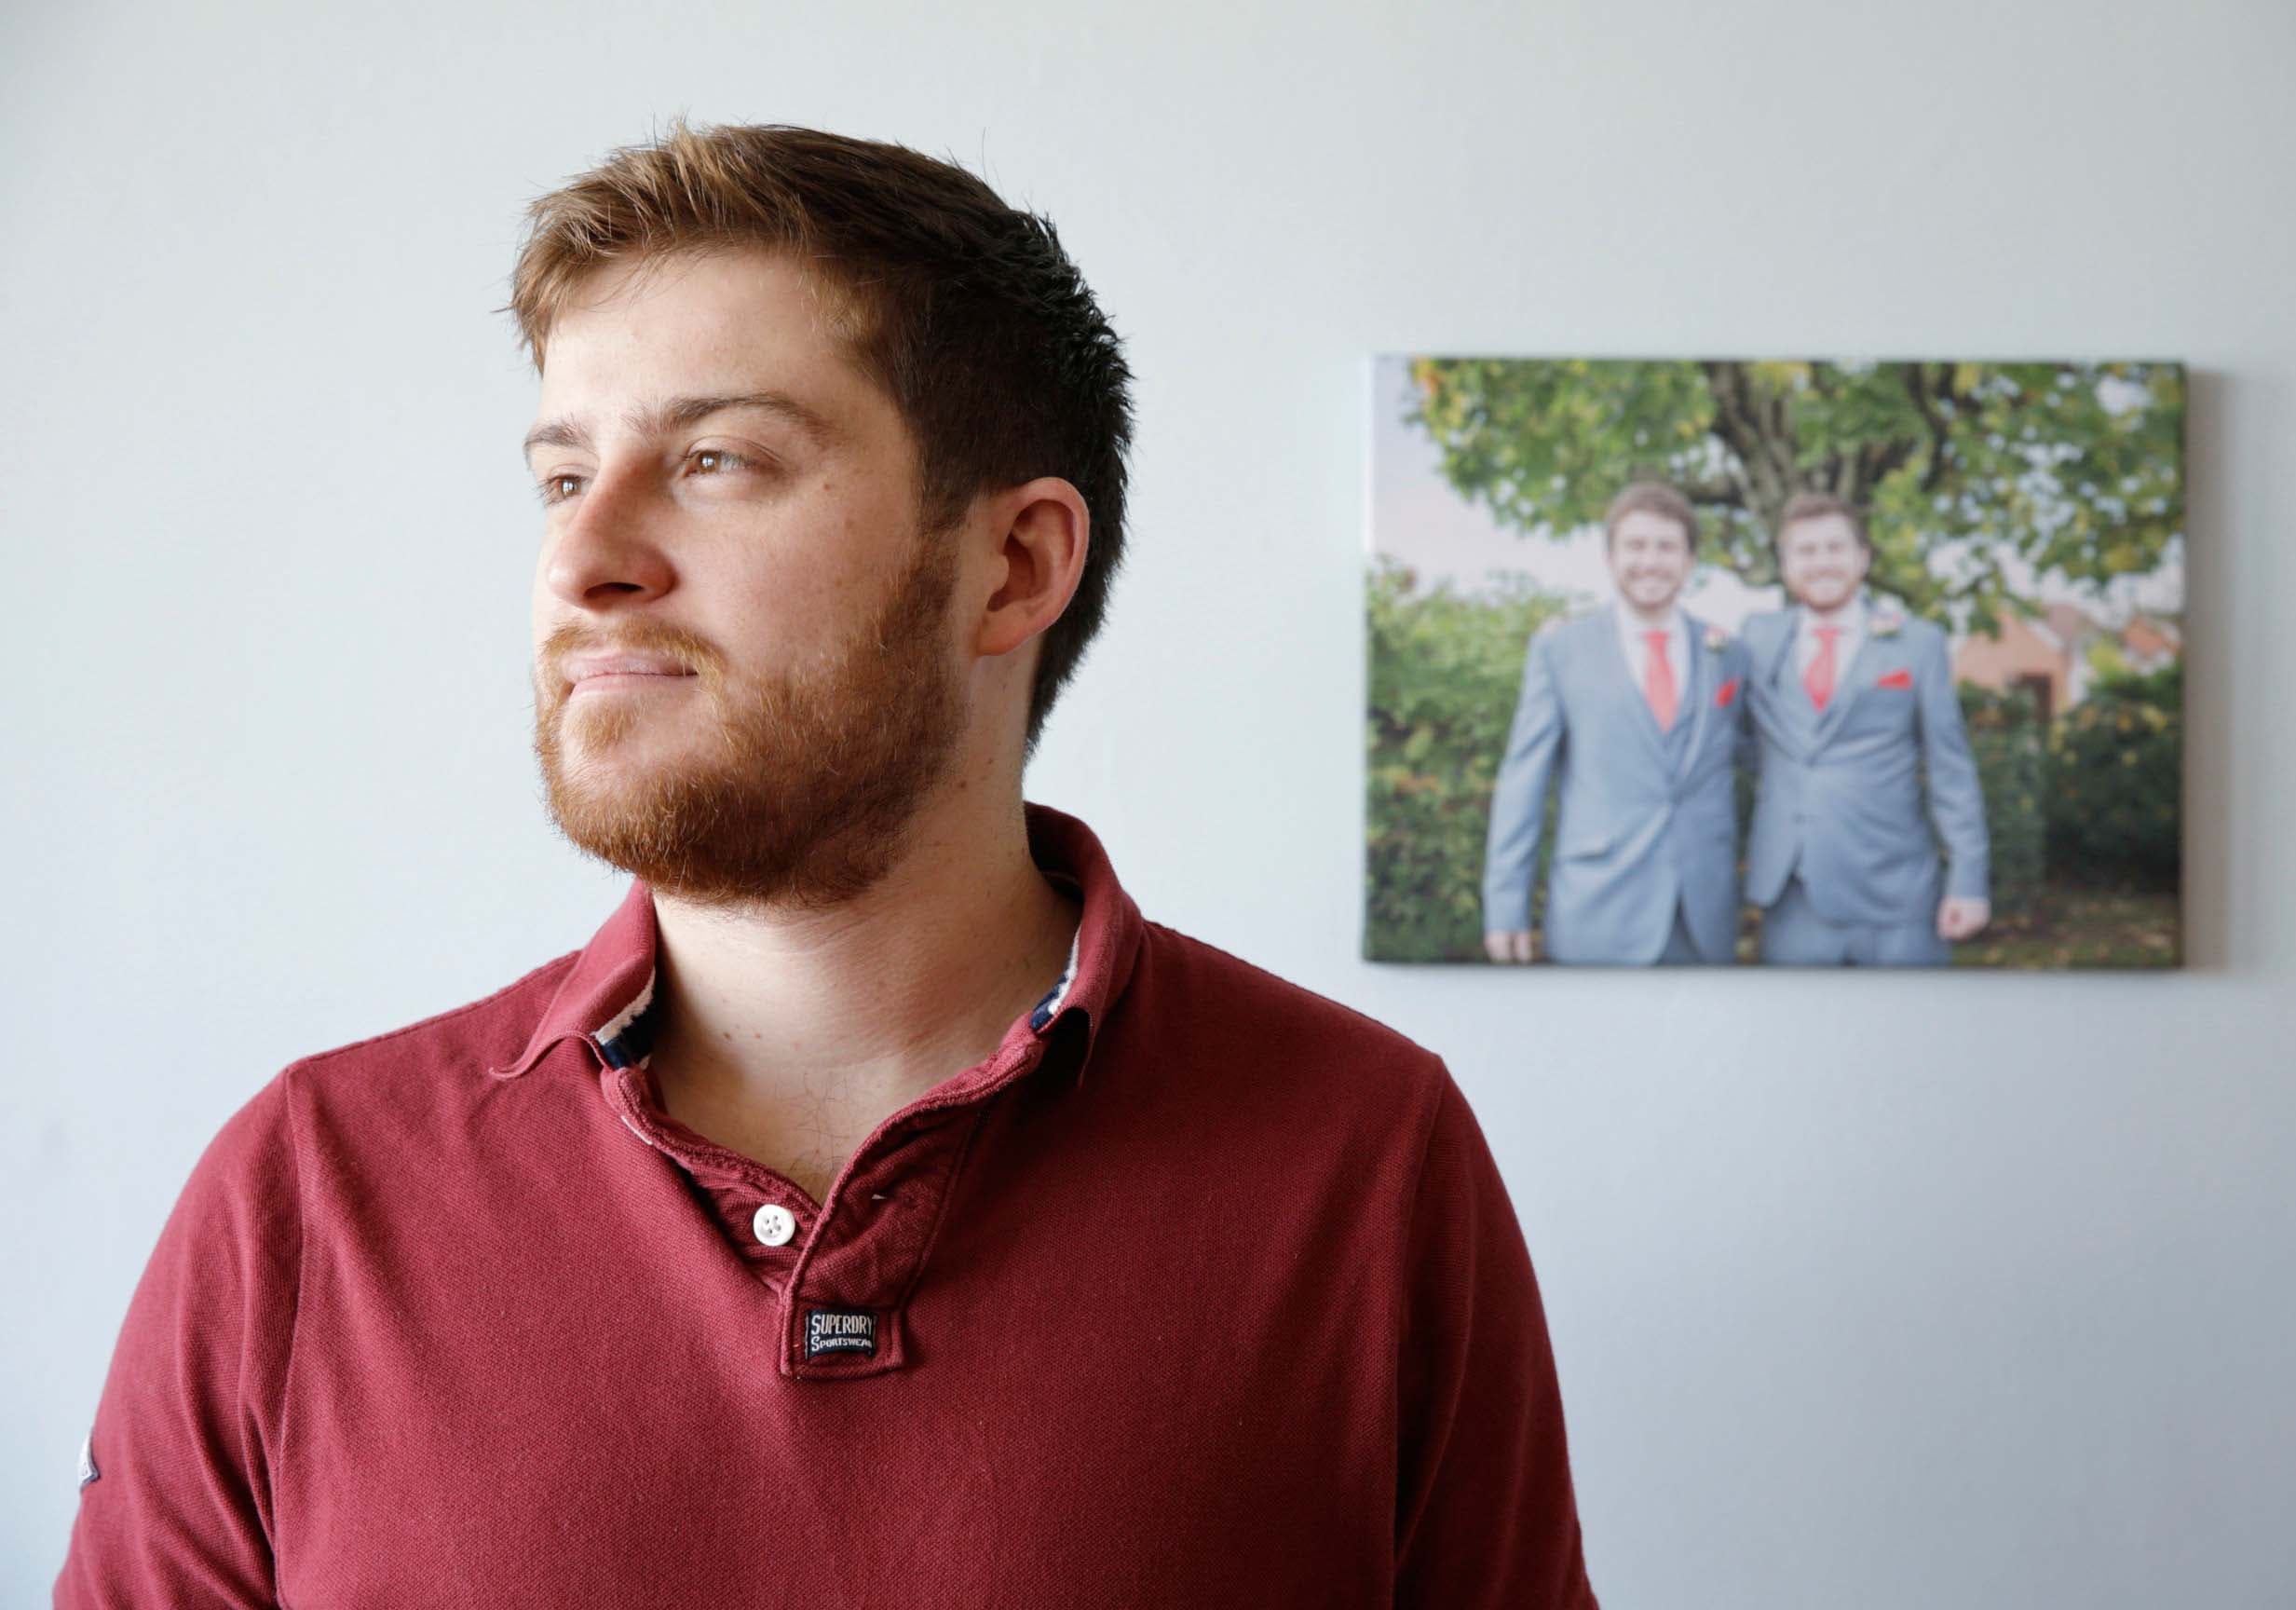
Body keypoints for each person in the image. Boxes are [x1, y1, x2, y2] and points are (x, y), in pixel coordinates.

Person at [55, 120, 1596, 1607]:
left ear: (1012, 564)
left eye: (718, 458)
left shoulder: (1366, 1154)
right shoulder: (307, 1191)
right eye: (559, 471)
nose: (582, 558)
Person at [1481, 482, 1751, 965]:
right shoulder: (1561, 650)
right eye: (1636, 546)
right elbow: (1524, 782)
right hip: (1596, 906)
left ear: (1690, 561)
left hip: (1703, 912)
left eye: (1666, 547)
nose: (1650, 561)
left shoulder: (1728, 653)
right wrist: (1505, 906)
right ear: (1610, 557)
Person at [1735, 492, 1990, 965]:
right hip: (1792, 894)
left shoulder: (1918, 643)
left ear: (1862, 558)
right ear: (1785, 565)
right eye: (1806, 552)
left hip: (1898, 896)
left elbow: (1950, 768)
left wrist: (1968, 881)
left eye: (1835, 548)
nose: (1821, 563)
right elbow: (1742, 743)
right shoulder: (1756, 638)